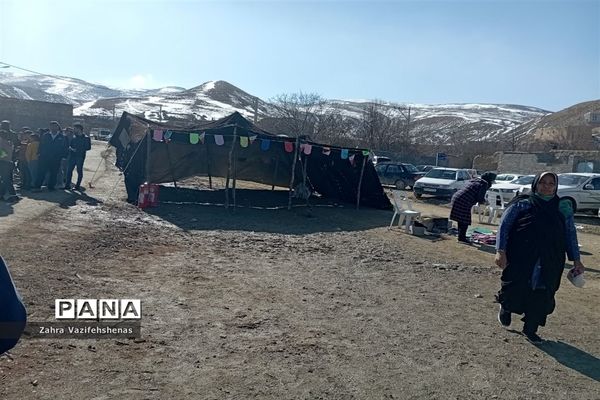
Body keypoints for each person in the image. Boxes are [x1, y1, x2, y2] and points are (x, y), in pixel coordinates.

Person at [495, 172, 585, 344]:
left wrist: (576, 259)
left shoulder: (562, 207)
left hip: (551, 258)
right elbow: (504, 227)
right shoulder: (523, 204)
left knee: (543, 291)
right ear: (536, 184)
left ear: (556, 186)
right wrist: (501, 251)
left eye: (551, 183)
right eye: (543, 182)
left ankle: (531, 328)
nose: (547, 186)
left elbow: (570, 234)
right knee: (516, 285)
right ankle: (506, 306)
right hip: (522, 255)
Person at [449, 171, 497, 243]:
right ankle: (461, 238)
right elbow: (480, 197)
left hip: (457, 197)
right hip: (464, 200)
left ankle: (461, 236)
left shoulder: (476, 180)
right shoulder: (484, 184)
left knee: (461, 220)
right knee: (465, 220)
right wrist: (485, 202)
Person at [32, 121, 69, 191]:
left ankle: (51, 186)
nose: (53, 128)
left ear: (58, 127)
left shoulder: (63, 137)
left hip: (56, 158)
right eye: (51, 126)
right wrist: (39, 153)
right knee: (41, 172)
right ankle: (37, 186)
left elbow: (65, 148)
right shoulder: (45, 135)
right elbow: (41, 145)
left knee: (54, 173)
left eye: (55, 126)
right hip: (44, 157)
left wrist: (64, 156)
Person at [64, 123, 91, 190]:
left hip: (80, 156)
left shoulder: (86, 138)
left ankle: (77, 186)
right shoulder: (74, 137)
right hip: (72, 156)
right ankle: (67, 185)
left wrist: (78, 149)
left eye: (75, 128)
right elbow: (70, 145)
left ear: (79, 129)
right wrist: (71, 148)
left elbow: (88, 147)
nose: (74, 130)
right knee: (69, 171)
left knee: (79, 171)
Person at [0, 120, 19, 202]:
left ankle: (12, 194)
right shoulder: (10, 142)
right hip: (8, 161)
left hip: (3, 162)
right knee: (6, 178)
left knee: (6, 179)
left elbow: (3, 153)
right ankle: (2, 193)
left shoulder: (2, 142)